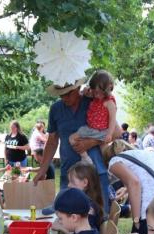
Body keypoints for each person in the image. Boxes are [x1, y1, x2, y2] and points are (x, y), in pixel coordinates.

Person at [35, 77, 110, 213]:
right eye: (61, 94)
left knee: (100, 217)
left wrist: (91, 142)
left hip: (95, 174)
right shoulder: (56, 109)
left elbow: (115, 131)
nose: (64, 98)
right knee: (66, 215)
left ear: (77, 88)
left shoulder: (94, 102)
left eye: (68, 93)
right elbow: (52, 141)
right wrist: (43, 169)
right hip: (68, 174)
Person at [70, 70, 122, 164]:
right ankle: (86, 158)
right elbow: (85, 93)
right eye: (94, 92)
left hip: (102, 131)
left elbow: (112, 120)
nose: (96, 95)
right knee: (72, 139)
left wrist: (109, 134)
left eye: (98, 92)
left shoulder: (109, 102)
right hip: (90, 129)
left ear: (108, 88)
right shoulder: (95, 96)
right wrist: (85, 91)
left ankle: (112, 168)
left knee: (105, 152)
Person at [60, 161, 106, 231]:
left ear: (85, 182)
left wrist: (61, 227)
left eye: (72, 182)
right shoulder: (89, 201)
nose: (68, 185)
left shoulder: (88, 209)